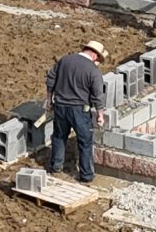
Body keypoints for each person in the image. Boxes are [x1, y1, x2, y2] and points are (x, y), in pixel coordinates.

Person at [45, 39, 109, 184]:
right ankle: (86, 175)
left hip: (60, 106)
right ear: (95, 56)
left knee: (59, 136)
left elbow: (50, 80)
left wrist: (49, 100)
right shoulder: (93, 71)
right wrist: (100, 114)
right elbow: (98, 95)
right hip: (79, 110)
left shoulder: (65, 60)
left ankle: (56, 167)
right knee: (85, 142)